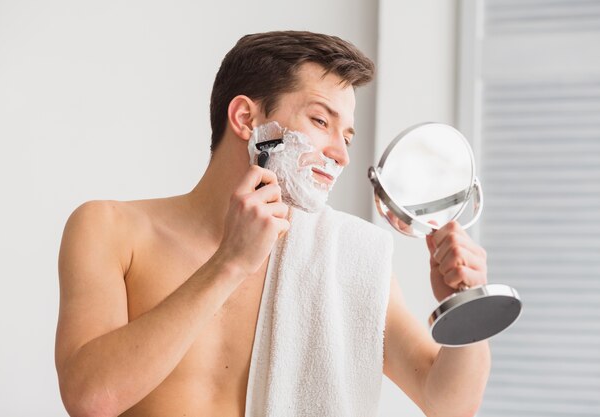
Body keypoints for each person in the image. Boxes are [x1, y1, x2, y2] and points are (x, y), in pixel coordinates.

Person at [55, 31, 490, 417]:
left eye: (348, 136)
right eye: (321, 121)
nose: (341, 153)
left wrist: (468, 304)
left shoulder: (350, 256)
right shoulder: (110, 229)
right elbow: (91, 399)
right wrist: (230, 262)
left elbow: (447, 403)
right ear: (247, 119)